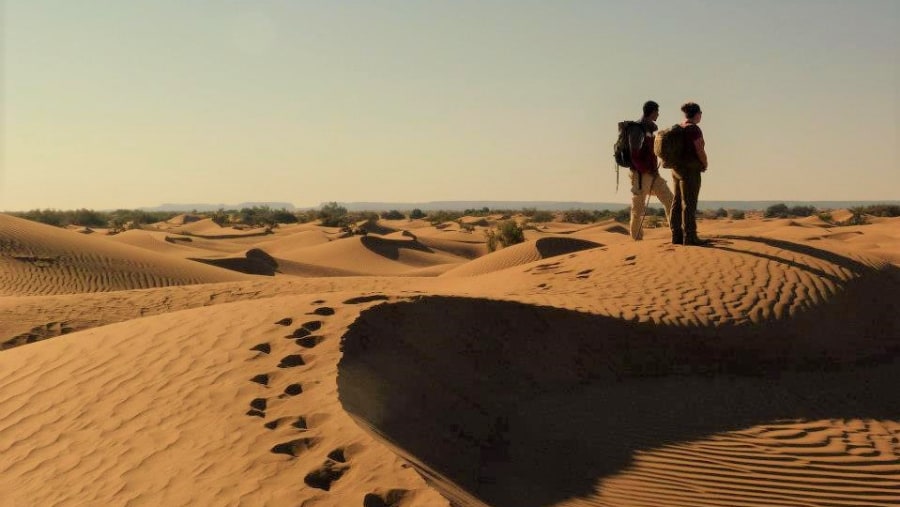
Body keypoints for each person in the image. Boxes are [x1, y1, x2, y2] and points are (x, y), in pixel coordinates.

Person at [628, 100, 674, 240]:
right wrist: (646, 170)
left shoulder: (650, 129)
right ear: (652, 112)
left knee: (670, 200)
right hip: (640, 174)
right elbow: (634, 156)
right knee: (638, 208)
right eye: (657, 112)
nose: (658, 114)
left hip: (653, 173)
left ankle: (677, 232)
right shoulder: (637, 129)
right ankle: (636, 239)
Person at [670, 102, 709, 246]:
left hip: (676, 169)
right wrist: (705, 163)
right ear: (697, 114)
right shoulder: (694, 129)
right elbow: (699, 149)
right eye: (701, 113)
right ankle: (690, 237)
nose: (701, 116)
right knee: (689, 203)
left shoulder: (679, 127)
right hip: (690, 170)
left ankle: (676, 236)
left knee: (677, 201)